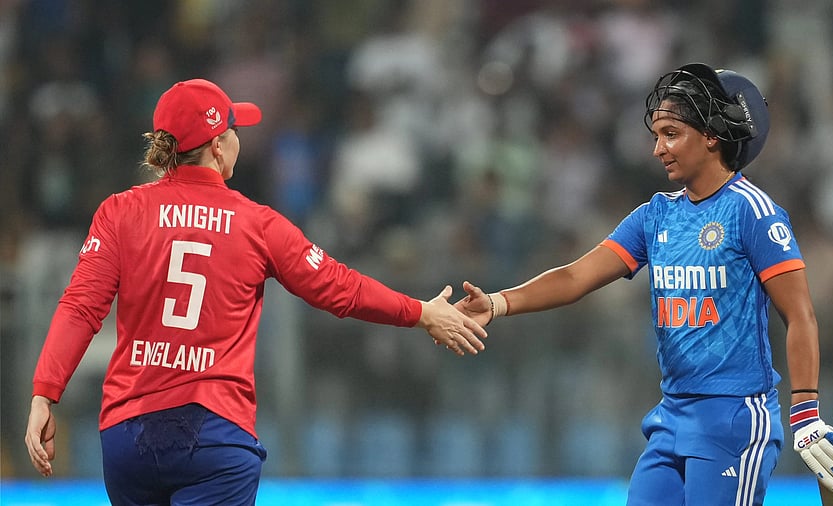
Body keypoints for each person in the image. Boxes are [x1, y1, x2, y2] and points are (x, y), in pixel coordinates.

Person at [24, 78, 487, 505]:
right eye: (234, 130)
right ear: (217, 146)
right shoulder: (256, 224)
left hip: (128, 441)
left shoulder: (120, 212)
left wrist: (45, 393)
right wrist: (420, 312)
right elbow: (339, 289)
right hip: (214, 440)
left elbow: (81, 307)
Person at [455, 63, 833, 505]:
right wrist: (499, 302)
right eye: (657, 135)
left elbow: (801, 316)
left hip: (734, 418)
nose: (658, 149)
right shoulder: (655, 215)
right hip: (672, 417)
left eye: (671, 134)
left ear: (712, 135)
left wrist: (806, 414)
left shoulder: (754, 211)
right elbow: (577, 275)